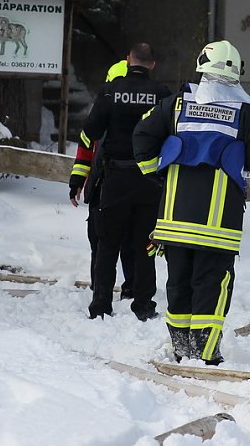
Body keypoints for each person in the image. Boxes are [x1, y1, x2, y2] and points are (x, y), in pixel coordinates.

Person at [133, 40, 250, 364]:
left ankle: (182, 350)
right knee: (212, 285)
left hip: (174, 220)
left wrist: (160, 174)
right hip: (218, 225)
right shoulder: (248, 113)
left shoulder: (176, 105)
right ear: (238, 74)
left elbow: (141, 137)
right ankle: (206, 354)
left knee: (178, 284)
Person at [69, 43, 171, 321]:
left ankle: (101, 304)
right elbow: (175, 136)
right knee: (145, 244)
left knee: (107, 243)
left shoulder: (111, 92)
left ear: (128, 61)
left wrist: (78, 177)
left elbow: (90, 132)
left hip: (115, 178)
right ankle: (143, 304)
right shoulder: (163, 95)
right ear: (152, 64)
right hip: (150, 179)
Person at [70, 58, 138, 300]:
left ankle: (125, 288)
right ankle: (104, 286)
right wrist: (77, 181)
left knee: (117, 241)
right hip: (105, 185)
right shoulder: (105, 113)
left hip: (113, 185)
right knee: (104, 240)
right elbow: (85, 149)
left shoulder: (109, 112)